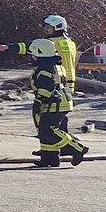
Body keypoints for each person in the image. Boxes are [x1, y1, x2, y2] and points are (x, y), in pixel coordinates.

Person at [30, 37, 88, 168]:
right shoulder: (55, 65)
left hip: (54, 104)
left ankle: (77, 149)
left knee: (48, 131)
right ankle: (49, 158)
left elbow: (46, 88)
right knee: (44, 131)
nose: (31, 57)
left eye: (32, 54)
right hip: (61, 101)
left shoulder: (44, 68)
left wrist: (40, 100)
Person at [0, 14, 78, 91]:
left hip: (55, 81)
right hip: (69, 83)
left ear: (57, 27)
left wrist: (9, 47)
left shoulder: (51, 43)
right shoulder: (71, 44)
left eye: (49, 28)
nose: (46, 30)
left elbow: (28, 47)